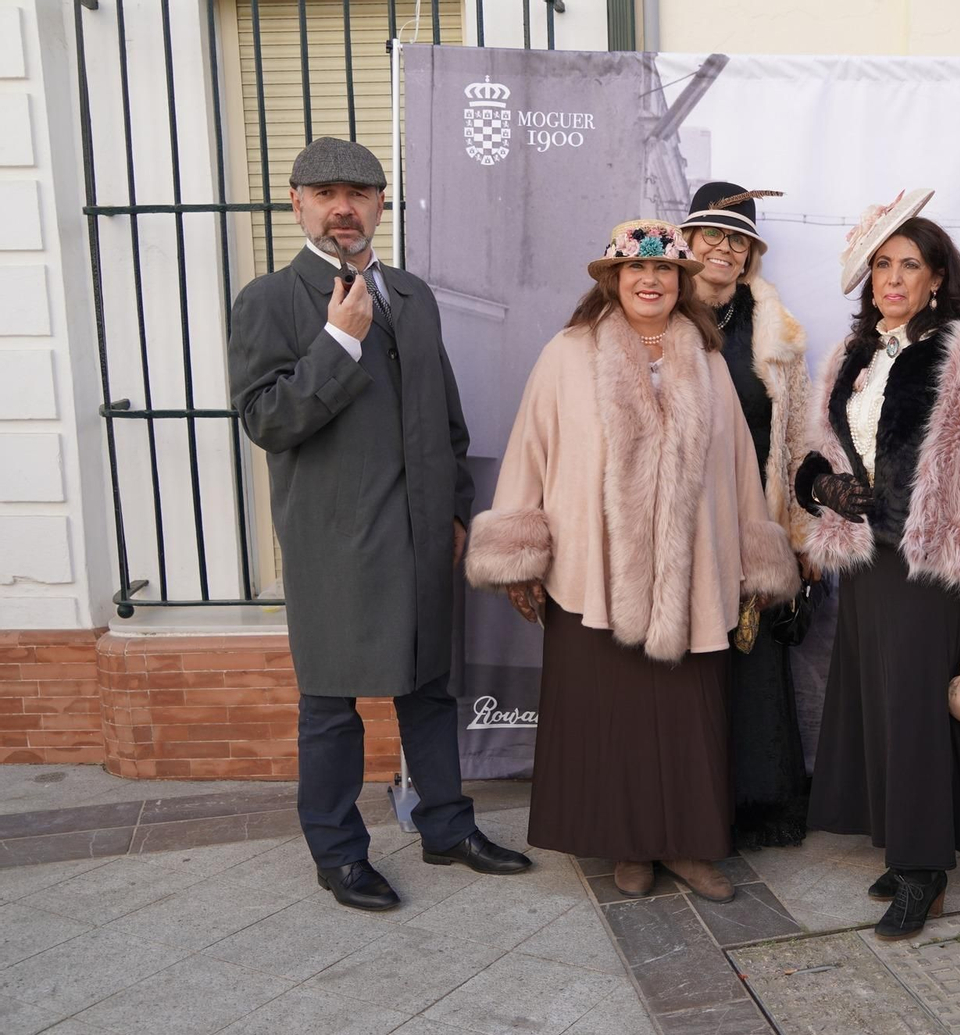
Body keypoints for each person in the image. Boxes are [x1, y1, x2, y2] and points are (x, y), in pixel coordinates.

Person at [229, 137, 530, 911]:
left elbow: (446, 419)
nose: (343, 208)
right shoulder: (269, 299)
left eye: (359, 194)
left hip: (425, 534)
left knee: (429, 690)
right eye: (326, 193)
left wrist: (458, 512)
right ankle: (337, 855)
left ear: (380, 206)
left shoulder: (415, 294)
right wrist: (339, 342)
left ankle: (446, 828)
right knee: (331, 703)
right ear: (296, 203)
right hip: (334, 543)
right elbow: (266, 419)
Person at [464, 219, 800, 904]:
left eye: (666, 272)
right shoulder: (567, 353)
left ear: (682, 283)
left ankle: (686, 846)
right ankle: (627, 845)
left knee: (688, 720)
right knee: (609, 715)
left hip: (693, 576)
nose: (651, 281)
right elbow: (531, 447)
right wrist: (519, 557)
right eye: (636, 271)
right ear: (612, 279)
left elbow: (738, 465)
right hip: (594, 575)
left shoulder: (706, 361)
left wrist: (756, 561)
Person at [796, 191, 960, 940]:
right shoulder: (851, 354)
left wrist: (902, 512)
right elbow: (819, 450)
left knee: (918, 714)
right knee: (875, 706)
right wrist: (826, 488)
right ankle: (901, 845)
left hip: (924, 561)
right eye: (882, 266)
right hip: (865, 562)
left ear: (937, 279)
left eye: (910, 266)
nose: (893, 279)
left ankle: (924, 871)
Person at [680, 182, 813, 849]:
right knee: (685, 668)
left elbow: (798, 439)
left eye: (738, 238)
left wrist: (801, 532)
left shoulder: (777, 332)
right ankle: (687, 809)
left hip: (751, 521)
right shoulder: (658, 314)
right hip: (679, 523)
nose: (725, 249)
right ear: (688, 240)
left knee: (752, 663)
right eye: (713, 234)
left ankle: (757, 803)